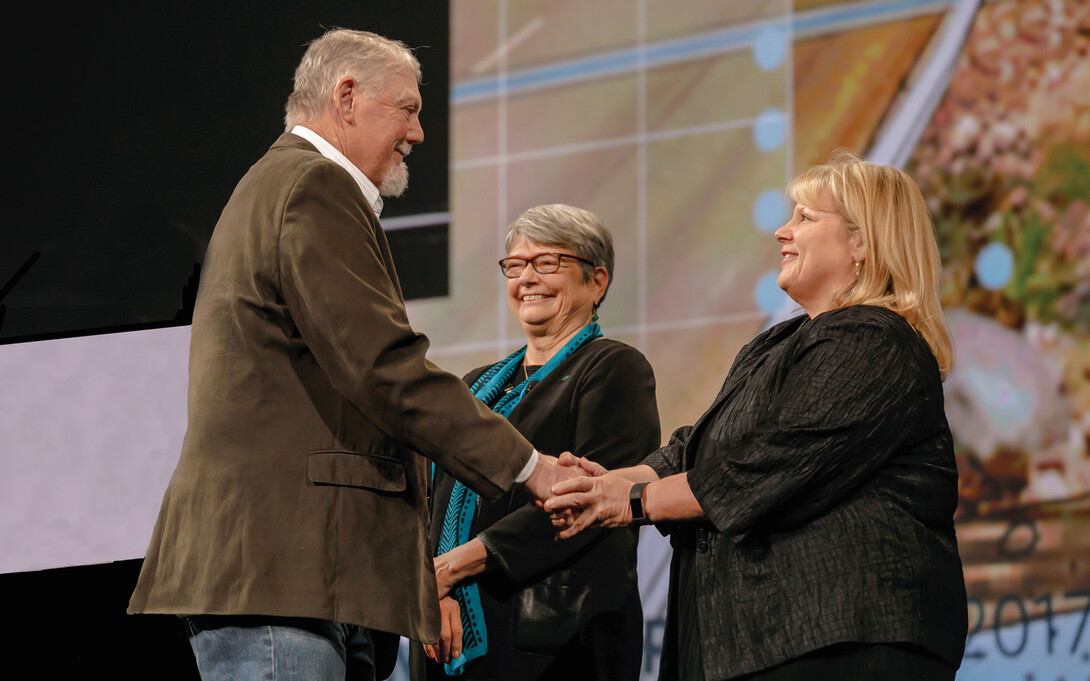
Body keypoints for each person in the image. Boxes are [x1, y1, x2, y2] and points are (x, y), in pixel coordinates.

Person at [127, 28, 574, 681]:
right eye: (409, 109)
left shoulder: (276, 183)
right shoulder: (313, 187)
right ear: (346, 97)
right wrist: (531, 466)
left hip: (305, 575)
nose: (418, 133)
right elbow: (384, 366)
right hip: (280, 572)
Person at [545, 152, 968, 680]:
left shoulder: (873, 338)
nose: (781, 232)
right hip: (761, 642)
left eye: (805, 218)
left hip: (837, 641)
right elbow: (696, 446)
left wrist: (631, 501)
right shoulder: (779, 343)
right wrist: (609, 482)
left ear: (862, 241)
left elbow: (767, 462)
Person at [409, 205, 660, 681]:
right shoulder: (473, 386)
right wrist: (432, 586)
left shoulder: (613, 369)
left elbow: (590, 504)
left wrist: (458, 565)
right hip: (445, 636)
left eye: (547, 263)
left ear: (597, 281)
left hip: (555, 644)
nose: (527, 278)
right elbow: (425, 503)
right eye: (516, 265)